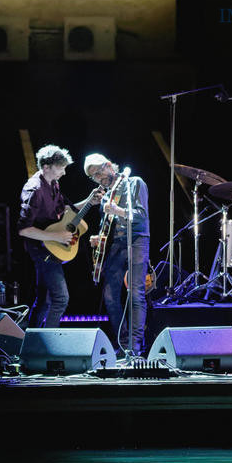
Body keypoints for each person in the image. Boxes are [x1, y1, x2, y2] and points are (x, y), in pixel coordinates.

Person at [18, 145, 102, 328]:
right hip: (42, 251)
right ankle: (48, 342)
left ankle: (32, 339)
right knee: (61, 299)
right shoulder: (34, 190)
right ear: (46, 167)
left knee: (43, 300)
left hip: (50, 249)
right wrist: (56, 236)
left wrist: (89, 201)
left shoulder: (53, 184)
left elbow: (65, 210)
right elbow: (23, 229)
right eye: (61, 168)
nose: (64, 173)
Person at [84, 153, 150, 357]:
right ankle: (123, 344)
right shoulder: (106, 195)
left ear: (109, 165)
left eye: (99, 172)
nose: (98, 178)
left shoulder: (134, 183)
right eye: (93, 176)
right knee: (110, 296)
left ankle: (135, 346)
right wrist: (99, 238)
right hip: (115, 245)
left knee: (136, 293)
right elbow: (107, 227)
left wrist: (118, 210)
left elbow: (141, 216)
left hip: (137, 239)